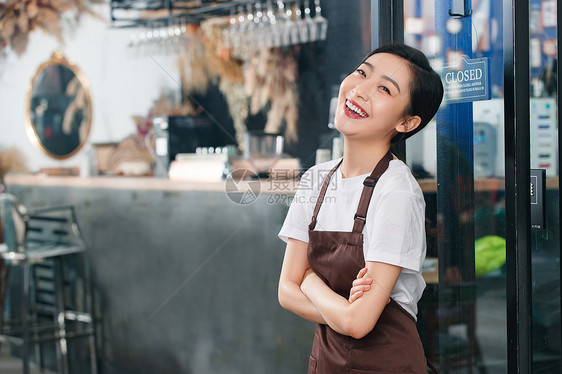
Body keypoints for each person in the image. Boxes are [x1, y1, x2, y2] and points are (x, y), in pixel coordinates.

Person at [277, 43, 443, 373]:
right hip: (326, 363)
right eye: (362, 73)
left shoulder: (396, 190)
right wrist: (340, 308)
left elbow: (359, 323)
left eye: (384, 88)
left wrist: (309, 282)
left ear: (407, 123)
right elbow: (285, 292)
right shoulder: (316, 179)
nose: (360, 89)